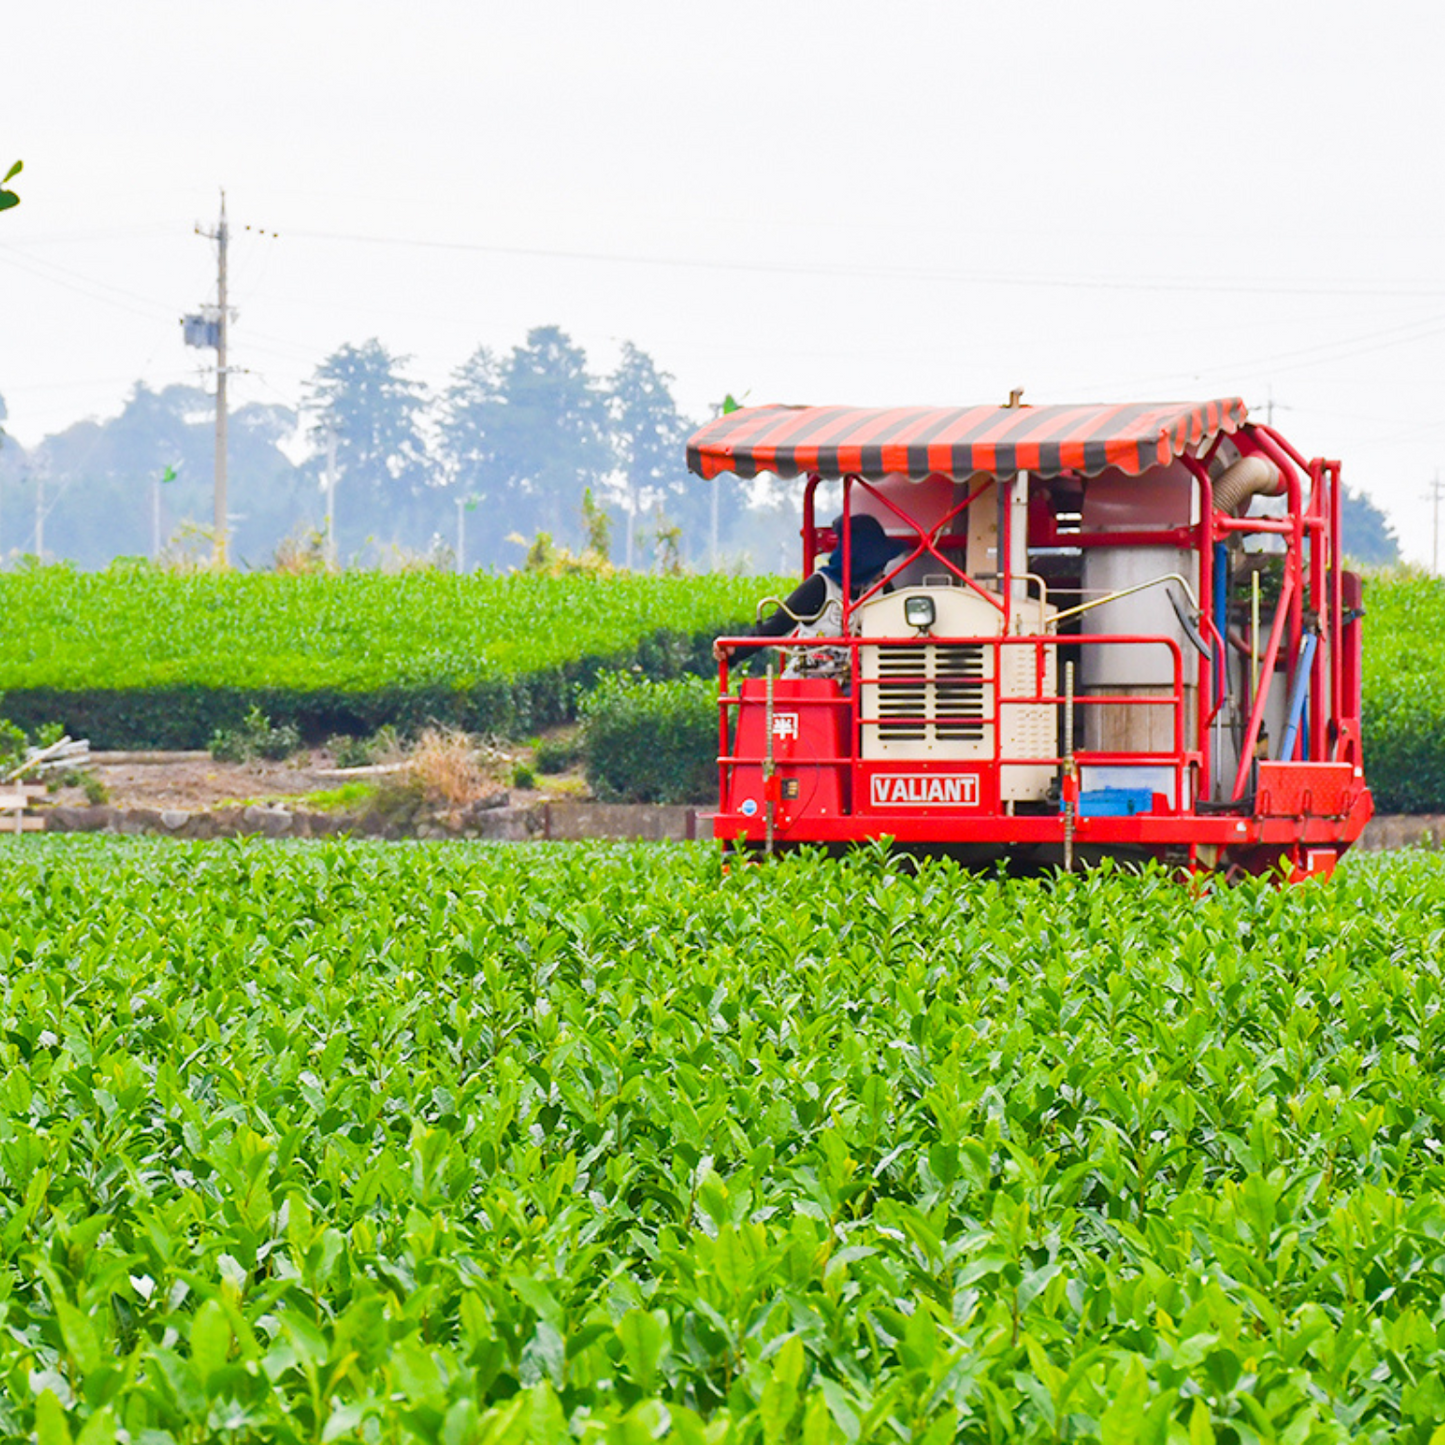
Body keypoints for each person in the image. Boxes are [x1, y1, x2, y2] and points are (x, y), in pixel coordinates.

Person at [747, 513, 906, 677]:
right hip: (811, 680)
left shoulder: (881, 588)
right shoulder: (820, 586)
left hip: (859, 684)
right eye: (880, 561)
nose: (884, 567)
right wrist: (735, 652)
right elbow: (777, 624)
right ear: (865, 562)